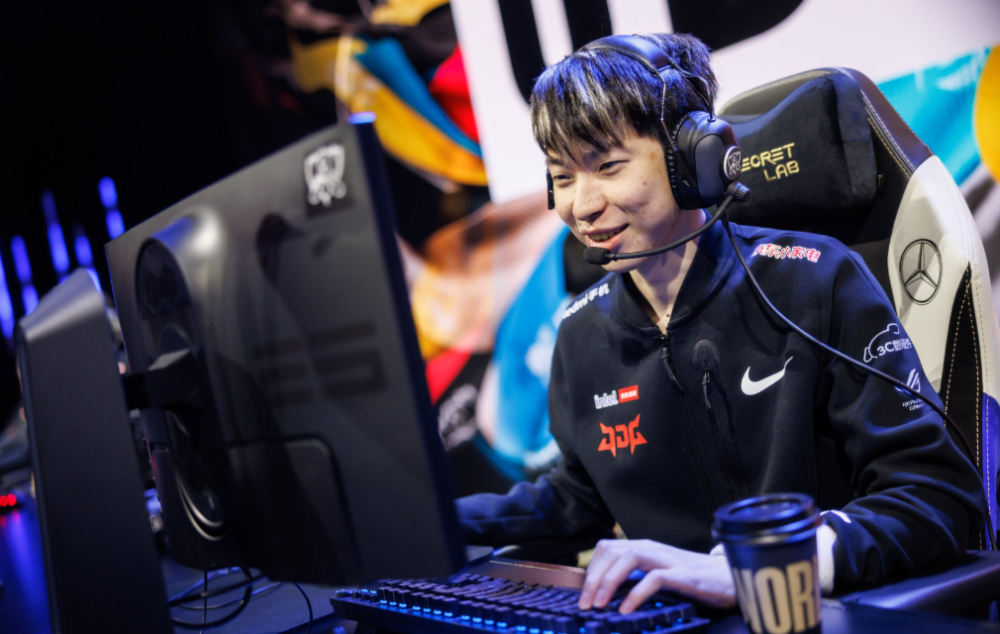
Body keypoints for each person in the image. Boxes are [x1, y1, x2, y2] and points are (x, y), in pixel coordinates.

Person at [455, 32, 986, 613]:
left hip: (818, 611)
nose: (582, 205)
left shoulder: (814, 281)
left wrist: (763, 566)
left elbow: (936, 497)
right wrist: (436, 516)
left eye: (607, 166)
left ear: (692, 158)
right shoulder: (582, 333)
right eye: (562, 177)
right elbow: (579, 498)